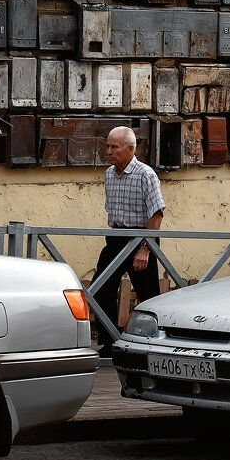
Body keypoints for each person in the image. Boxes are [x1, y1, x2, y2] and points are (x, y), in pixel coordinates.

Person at [93, 126, 165, 357]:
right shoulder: (108, 174)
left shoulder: (146, 174)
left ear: (130, 149)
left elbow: (157, 214)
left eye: (114, 147)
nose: (109, 151)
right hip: (116, 238)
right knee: (100, 290)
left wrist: (145, 249)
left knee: (148, 296)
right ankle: (110, 342)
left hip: (142, 239)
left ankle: (154, 343)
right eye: (107, 146)